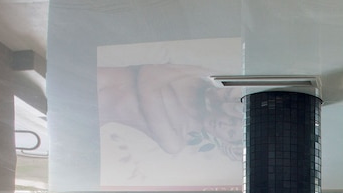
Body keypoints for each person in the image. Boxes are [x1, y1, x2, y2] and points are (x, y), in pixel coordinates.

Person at [97, 63, 244, 160]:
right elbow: (150, 73)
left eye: (230, 133)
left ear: (226, 142)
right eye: (232, 120)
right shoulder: (197, 83)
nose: (224, 125)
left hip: (96, 110)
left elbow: (147, 83)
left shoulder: (176, 142)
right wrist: (211, 73)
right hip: (101, 79)